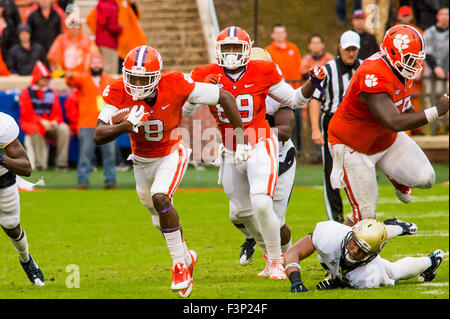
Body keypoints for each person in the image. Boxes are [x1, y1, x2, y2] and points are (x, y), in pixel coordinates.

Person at [93, 45, 247, 298]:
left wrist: (240, 140)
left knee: (160, 197)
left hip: (171, 153)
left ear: (156, 76)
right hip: (141, 161)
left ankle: (179, 268)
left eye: (143, 78)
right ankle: (187, 257)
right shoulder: (119, 90)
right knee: (158, 218)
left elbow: (225, 97)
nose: (136, 83)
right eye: (132, 77)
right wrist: (126, 126)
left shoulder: (175, 83)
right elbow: (98, 135)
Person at [189, 26, 326, 280]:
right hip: (230, 149)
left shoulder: (263, 71)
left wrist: (312, 84)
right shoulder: (204, 74)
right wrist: (199, 93)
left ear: (247, 50)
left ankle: (276, 261)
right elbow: (185, 109)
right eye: (226, 48)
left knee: (262, 201)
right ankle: (267, 252)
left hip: (259, 142)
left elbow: (294, 100)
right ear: (218, 51)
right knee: (240, 212)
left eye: (236, 48)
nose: (231, 54)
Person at [327, 25, 449, 232]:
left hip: (384, 138)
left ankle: (396, 177)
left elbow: (404, 107)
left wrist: (415, 117)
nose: (416, 65)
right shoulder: (372, 73)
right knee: (365, 220)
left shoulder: (399, 67)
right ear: (393, 53)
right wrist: (435, 112)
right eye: (411, 59)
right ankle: (327, 244)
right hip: (353, 146)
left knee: (426, 178)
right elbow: (392, 121)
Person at [284, 219, 444, 292]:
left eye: (361, 251)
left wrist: (336, 282)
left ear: (371, 256)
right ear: (350, 236)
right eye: (354, 244)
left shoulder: (368, 274)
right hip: (335, 254)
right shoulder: (330, 235)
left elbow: (346, 281)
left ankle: (431, 260)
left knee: (393, 272)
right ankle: (393, 227)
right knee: (368, 235)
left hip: (361, 267)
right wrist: (296, 282)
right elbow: (293, 252)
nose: (354, 251)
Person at [309, 31, 362, 223]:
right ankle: (336, 218)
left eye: (354, 49)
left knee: (359, 168)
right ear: (340, 48)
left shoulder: (364, 67)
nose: (350, 53)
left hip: (358, 123)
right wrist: (315, 128)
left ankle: (360, 213)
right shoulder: (328, 69)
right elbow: (315, 99)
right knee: (332, 170)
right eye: (347, 49)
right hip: (332, 122)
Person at [0, 111, 45, 286]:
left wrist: (1, 158)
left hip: (2, 179)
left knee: (11, 226)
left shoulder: (3, 125)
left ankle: (26, 259)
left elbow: (26, 168)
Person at [65, 55, 116, 189]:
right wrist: (69, 75)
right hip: (87, 123)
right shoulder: (83, 79)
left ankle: (110, 181)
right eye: (94, 63)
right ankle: (83, 182)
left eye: (98, 63)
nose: (96, 66)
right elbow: (71, 81)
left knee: (110, 155)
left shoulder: (109, 80)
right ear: (90, 65)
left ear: (102, 65)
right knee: (85, 155)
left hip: (106, 123)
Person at [19, 61, 70, 171]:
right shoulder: (26, 92)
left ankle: (61, 163)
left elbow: (57, 112)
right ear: (37, 78)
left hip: (49, 123)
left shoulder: (52, 93)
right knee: (36, 131)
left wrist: (55, 122)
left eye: (47, 78)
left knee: (64, 129)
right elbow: (26, 114)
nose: (46, 80)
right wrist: (41, 121)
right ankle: (40, 165)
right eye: (43, 78)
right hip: (32, 123)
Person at [423, 7, 449, 135]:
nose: (445, 17)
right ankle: (435, 128)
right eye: (442, 14)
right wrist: (436, 67)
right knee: (432, 99)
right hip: (432, 71)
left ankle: (447, 126)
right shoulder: (429, 32)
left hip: (448, 71)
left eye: (447, 14)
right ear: (437, 16)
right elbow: (427, 52)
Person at [265, 24, 302, 88]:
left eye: (282, 32)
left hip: (295, 85)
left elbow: (299, 65)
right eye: (277, 33)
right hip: (278, 87)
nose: (280, 35)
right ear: (272, 35)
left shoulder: (293, 47)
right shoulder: (268, 50)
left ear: (286, 34)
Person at [95, 0, 122, 75]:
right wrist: (120, 28)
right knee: (111, 68)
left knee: (104, 66)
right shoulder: (112, 6)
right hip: (109, 41)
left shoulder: (100, 4)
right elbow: (111, 25)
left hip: (100, 39)